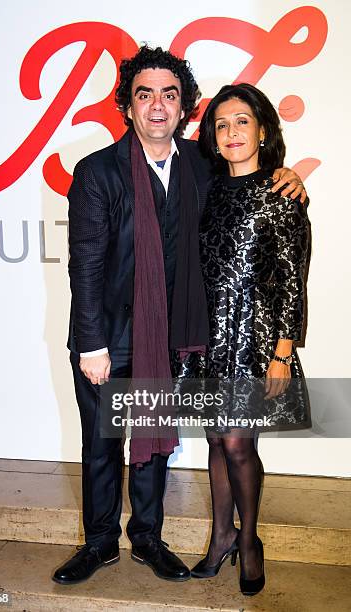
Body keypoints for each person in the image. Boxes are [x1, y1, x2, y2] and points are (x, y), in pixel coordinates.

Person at [53, 46, 307, 586]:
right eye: (145, 94)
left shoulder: (201, 164)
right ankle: (99, 543)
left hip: (168, 338)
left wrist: (288, 177)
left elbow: (251, 184)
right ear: (129, 106)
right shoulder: (97, 172)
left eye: (170, 94)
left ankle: (146, 537)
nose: (158, 105)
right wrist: (92, 344)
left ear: (184, 106)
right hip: (108, 340)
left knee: (151, 450)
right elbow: (86, 265)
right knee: (101, 446)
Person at [192, 83, 310, 596]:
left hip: (255, 341)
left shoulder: (282, 194)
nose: (232, 132)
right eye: (221, 124)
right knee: (216, 440)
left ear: (263, 130)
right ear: (212, 138)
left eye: (242, 121)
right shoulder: (206, 189)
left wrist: (283, 353)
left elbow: (291, 279)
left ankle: (250, 542)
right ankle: (221, 535)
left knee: (240, 444)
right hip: (207, 336)